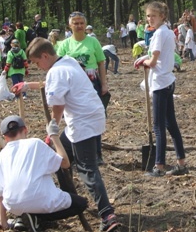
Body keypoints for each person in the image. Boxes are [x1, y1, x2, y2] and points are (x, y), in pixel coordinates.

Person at [21, 38, 121, 231]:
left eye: (36, 62)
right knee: (57, 156)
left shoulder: (56, 72)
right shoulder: (67, 60)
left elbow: (58, 105)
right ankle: (67, 199)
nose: (37, 66)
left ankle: (107, 215)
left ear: (45, 56)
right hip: (93, 115)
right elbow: (54, 84)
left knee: (87, 168)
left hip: (82, 122)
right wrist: (28, 85)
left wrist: (53, 128)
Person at [0, 115, 88, 232]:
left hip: (13, 207)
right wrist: (54, 136)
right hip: (39, 201)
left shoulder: (1, 155)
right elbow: (65, 163)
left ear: (5, 137)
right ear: (25, 130)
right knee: (81, 203)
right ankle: (36, 218)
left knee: (24, 201)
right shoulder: (35, 143)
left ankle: (23, 219)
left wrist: (3, 222)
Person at [134, 1, 188, 178]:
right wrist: (146, 59)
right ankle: (181, 163)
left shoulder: (158, 34)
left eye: (153, 16)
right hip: (168, 80)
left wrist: (143, 62)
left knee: (158, 126)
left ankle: (159, 166)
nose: (150, 19)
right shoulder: (168, 32)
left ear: (162, 16)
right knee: (171, 124)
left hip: (160, 83)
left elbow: (153, 61)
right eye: (148, 16)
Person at [57, 11, 110, 164]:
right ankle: (76, 153)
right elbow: (58, 66)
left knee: (94, 117)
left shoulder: (93, 42)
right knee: (75, 118)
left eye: (81, 23)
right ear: (70, 25)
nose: (79, 26)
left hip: (92, 83)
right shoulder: (64, 44)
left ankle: (97, 154)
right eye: (76, 23)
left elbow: (101, 62)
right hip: (72, 86)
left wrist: (104, 84)